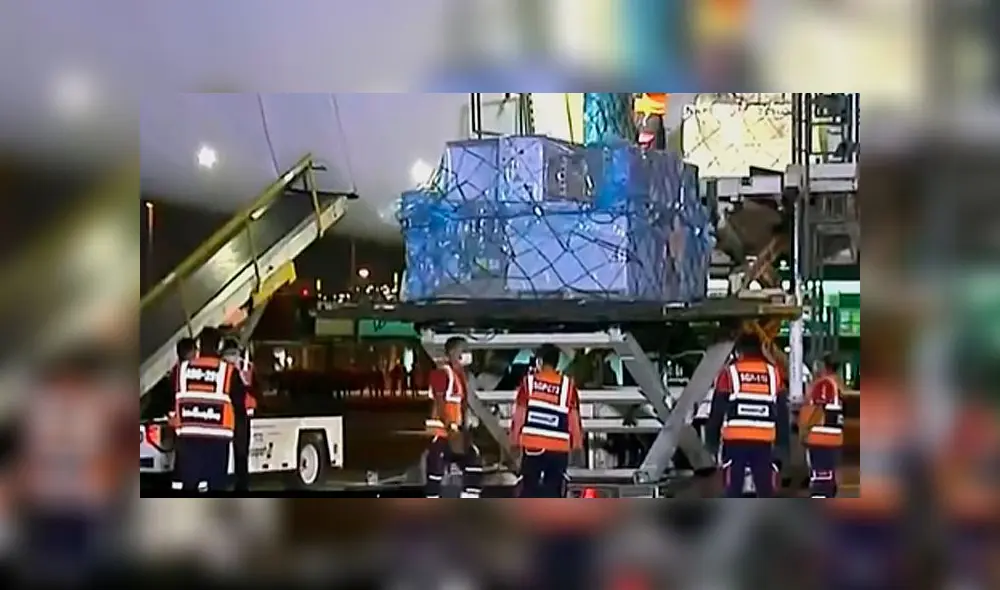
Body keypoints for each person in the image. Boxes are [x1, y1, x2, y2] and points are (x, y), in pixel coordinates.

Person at [704, 333, 789, 497]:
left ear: (739, 351)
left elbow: (717, 410)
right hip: (764, 442)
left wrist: (711, 442)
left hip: (735, 443)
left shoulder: (729, 373)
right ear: (760, 349)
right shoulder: (773, 374)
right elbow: (782, 413)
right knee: (765, 490)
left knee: (733, 489)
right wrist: (782, 447)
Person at [171, 328, 248, 493]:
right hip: (217, 442)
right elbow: (240, 409)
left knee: (188, 486)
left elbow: (170, 401)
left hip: (188, 440)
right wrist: (241, 447)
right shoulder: (229, 372)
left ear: (198, 345)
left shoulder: (181, 370)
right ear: (220, 346)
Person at [509, 344, 583, 498]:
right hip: (558, 446)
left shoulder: (529, 382)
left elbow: (520, 414)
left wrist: (514, 442)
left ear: (540, 361)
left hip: (533, 444)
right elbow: (574, 418)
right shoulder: (567, 386)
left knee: (529, 488)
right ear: (557, 363)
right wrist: (577, 446)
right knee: (554, 489)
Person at [424, 336, 482, 498]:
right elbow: (440, 401)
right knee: (435, 472)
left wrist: (465, 428)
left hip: (456, 432)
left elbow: (460, 405)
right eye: (464, 350)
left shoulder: (460, 375)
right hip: (442, 433)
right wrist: (451, 427)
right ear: (453, 352)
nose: (467, 354)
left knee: (473, 462)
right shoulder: (442, 373)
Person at [798, 354, 844, 497]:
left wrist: (805, 430)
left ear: (825, 366)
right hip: (833, 438)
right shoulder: (838, 384)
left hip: (820, 438)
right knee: (828, 480)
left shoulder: (825, 384)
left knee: (820, 481)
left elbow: (819, 409)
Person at [221, 337, 254, 492]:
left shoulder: (223, 369)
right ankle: (242, 485)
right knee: (241, 454)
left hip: (228, 415)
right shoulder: (244, 367)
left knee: (229, 453)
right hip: (240, 416)